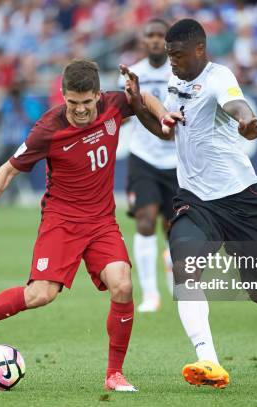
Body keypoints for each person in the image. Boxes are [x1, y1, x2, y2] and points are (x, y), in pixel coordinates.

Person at [0, 59, 167, 392]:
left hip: (101, 221)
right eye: (73, 103)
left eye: (87, 103)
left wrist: (163, 114)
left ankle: (114, 374)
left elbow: (145, 100)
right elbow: (8, 170)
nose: (81, 110)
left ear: (98, 95)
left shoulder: (113, 104)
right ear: (63, 95)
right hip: (62, 221)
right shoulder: (48, 128)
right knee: (41, 295)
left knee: (123, 285)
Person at [123, 18, 257, 390]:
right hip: (195, 200)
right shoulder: (175, 81)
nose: (172, 62)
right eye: (169, 55)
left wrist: (246, 122)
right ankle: (207, 359)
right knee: (184, 266)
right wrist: (137, 104)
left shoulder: (218, 76)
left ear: (199, 49)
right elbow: (166, 134)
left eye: (177, 55)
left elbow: (236, 104)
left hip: (241, 199)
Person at [118, 18, 177, 313]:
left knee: (173, 230)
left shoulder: (180, 72)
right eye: (150, 35)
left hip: (177, 161)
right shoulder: (133, 73)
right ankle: (150, 295)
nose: (155, 40)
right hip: (143, 157)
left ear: (167, 41)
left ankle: (171, 266)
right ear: (143, 40)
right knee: (144, 221)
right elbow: (122, 114)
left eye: (160, 35)